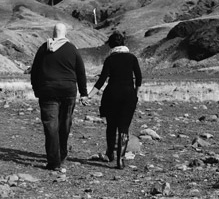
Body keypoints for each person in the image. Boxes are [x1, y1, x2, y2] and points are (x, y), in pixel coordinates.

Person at [30, 22, 89, 171]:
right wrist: (83, 93)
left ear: (53, 32)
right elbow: (81, 72)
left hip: (47, 90)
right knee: (65, 123)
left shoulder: (43, 48)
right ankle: (62, 154)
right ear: (65, 32)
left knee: (50, 126)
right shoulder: (72, 49)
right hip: (68, 91)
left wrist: (36, 89)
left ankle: (54, 161)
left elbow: (34, 72)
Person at [86, 30, 142, 169]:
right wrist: (135, 94)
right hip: (128, 96)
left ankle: (110, 154)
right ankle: (121, 159)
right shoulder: (132, 58)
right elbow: (139, 78)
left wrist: (89, 96)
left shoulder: (110, 59)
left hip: (111, 95)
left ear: (111, 45)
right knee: (124, 128)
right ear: (123, 43)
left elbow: (102, 80)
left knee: (111, 126)